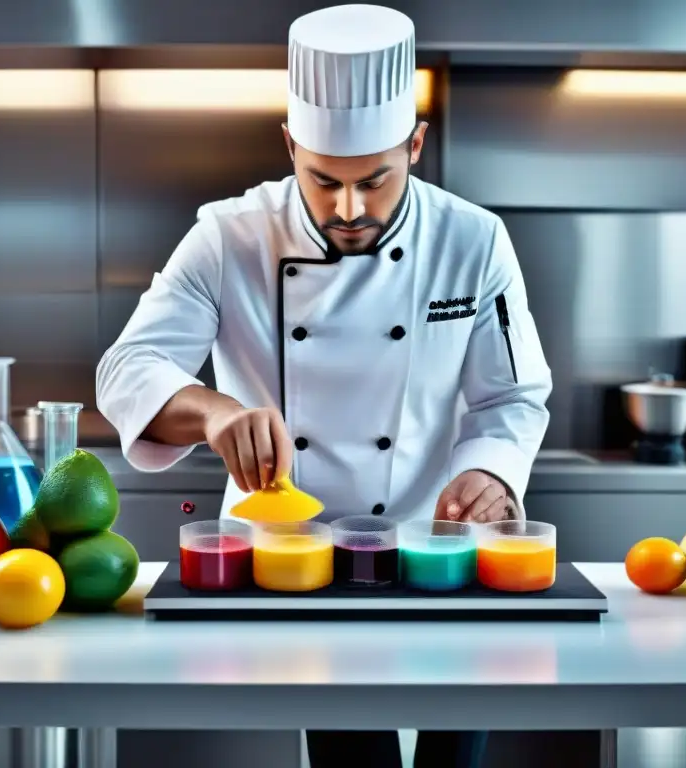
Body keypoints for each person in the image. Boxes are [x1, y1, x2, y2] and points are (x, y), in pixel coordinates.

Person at [96, 4, 552, 767]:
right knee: (349, 753)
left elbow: (510, 398)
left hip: (433, 549)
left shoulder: (473, 241)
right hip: (289, 558)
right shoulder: (228, 237)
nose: (348, 210)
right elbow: (126, 371)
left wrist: (490, 475)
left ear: (416, 144)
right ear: (288, 145)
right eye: (322, 180)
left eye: (374, 181)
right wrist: (212, 411)